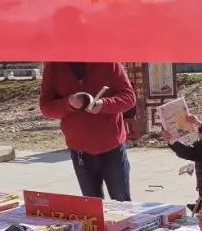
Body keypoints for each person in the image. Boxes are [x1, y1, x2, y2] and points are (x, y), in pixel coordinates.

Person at [40, 62, 137, 201]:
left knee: (121, 201)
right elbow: (46, 107)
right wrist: (69, 103)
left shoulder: (109, 62)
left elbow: (129, 97)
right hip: (80, 148)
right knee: (92, 204)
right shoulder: (54, 66)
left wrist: (102, 105)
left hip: (112, 145)